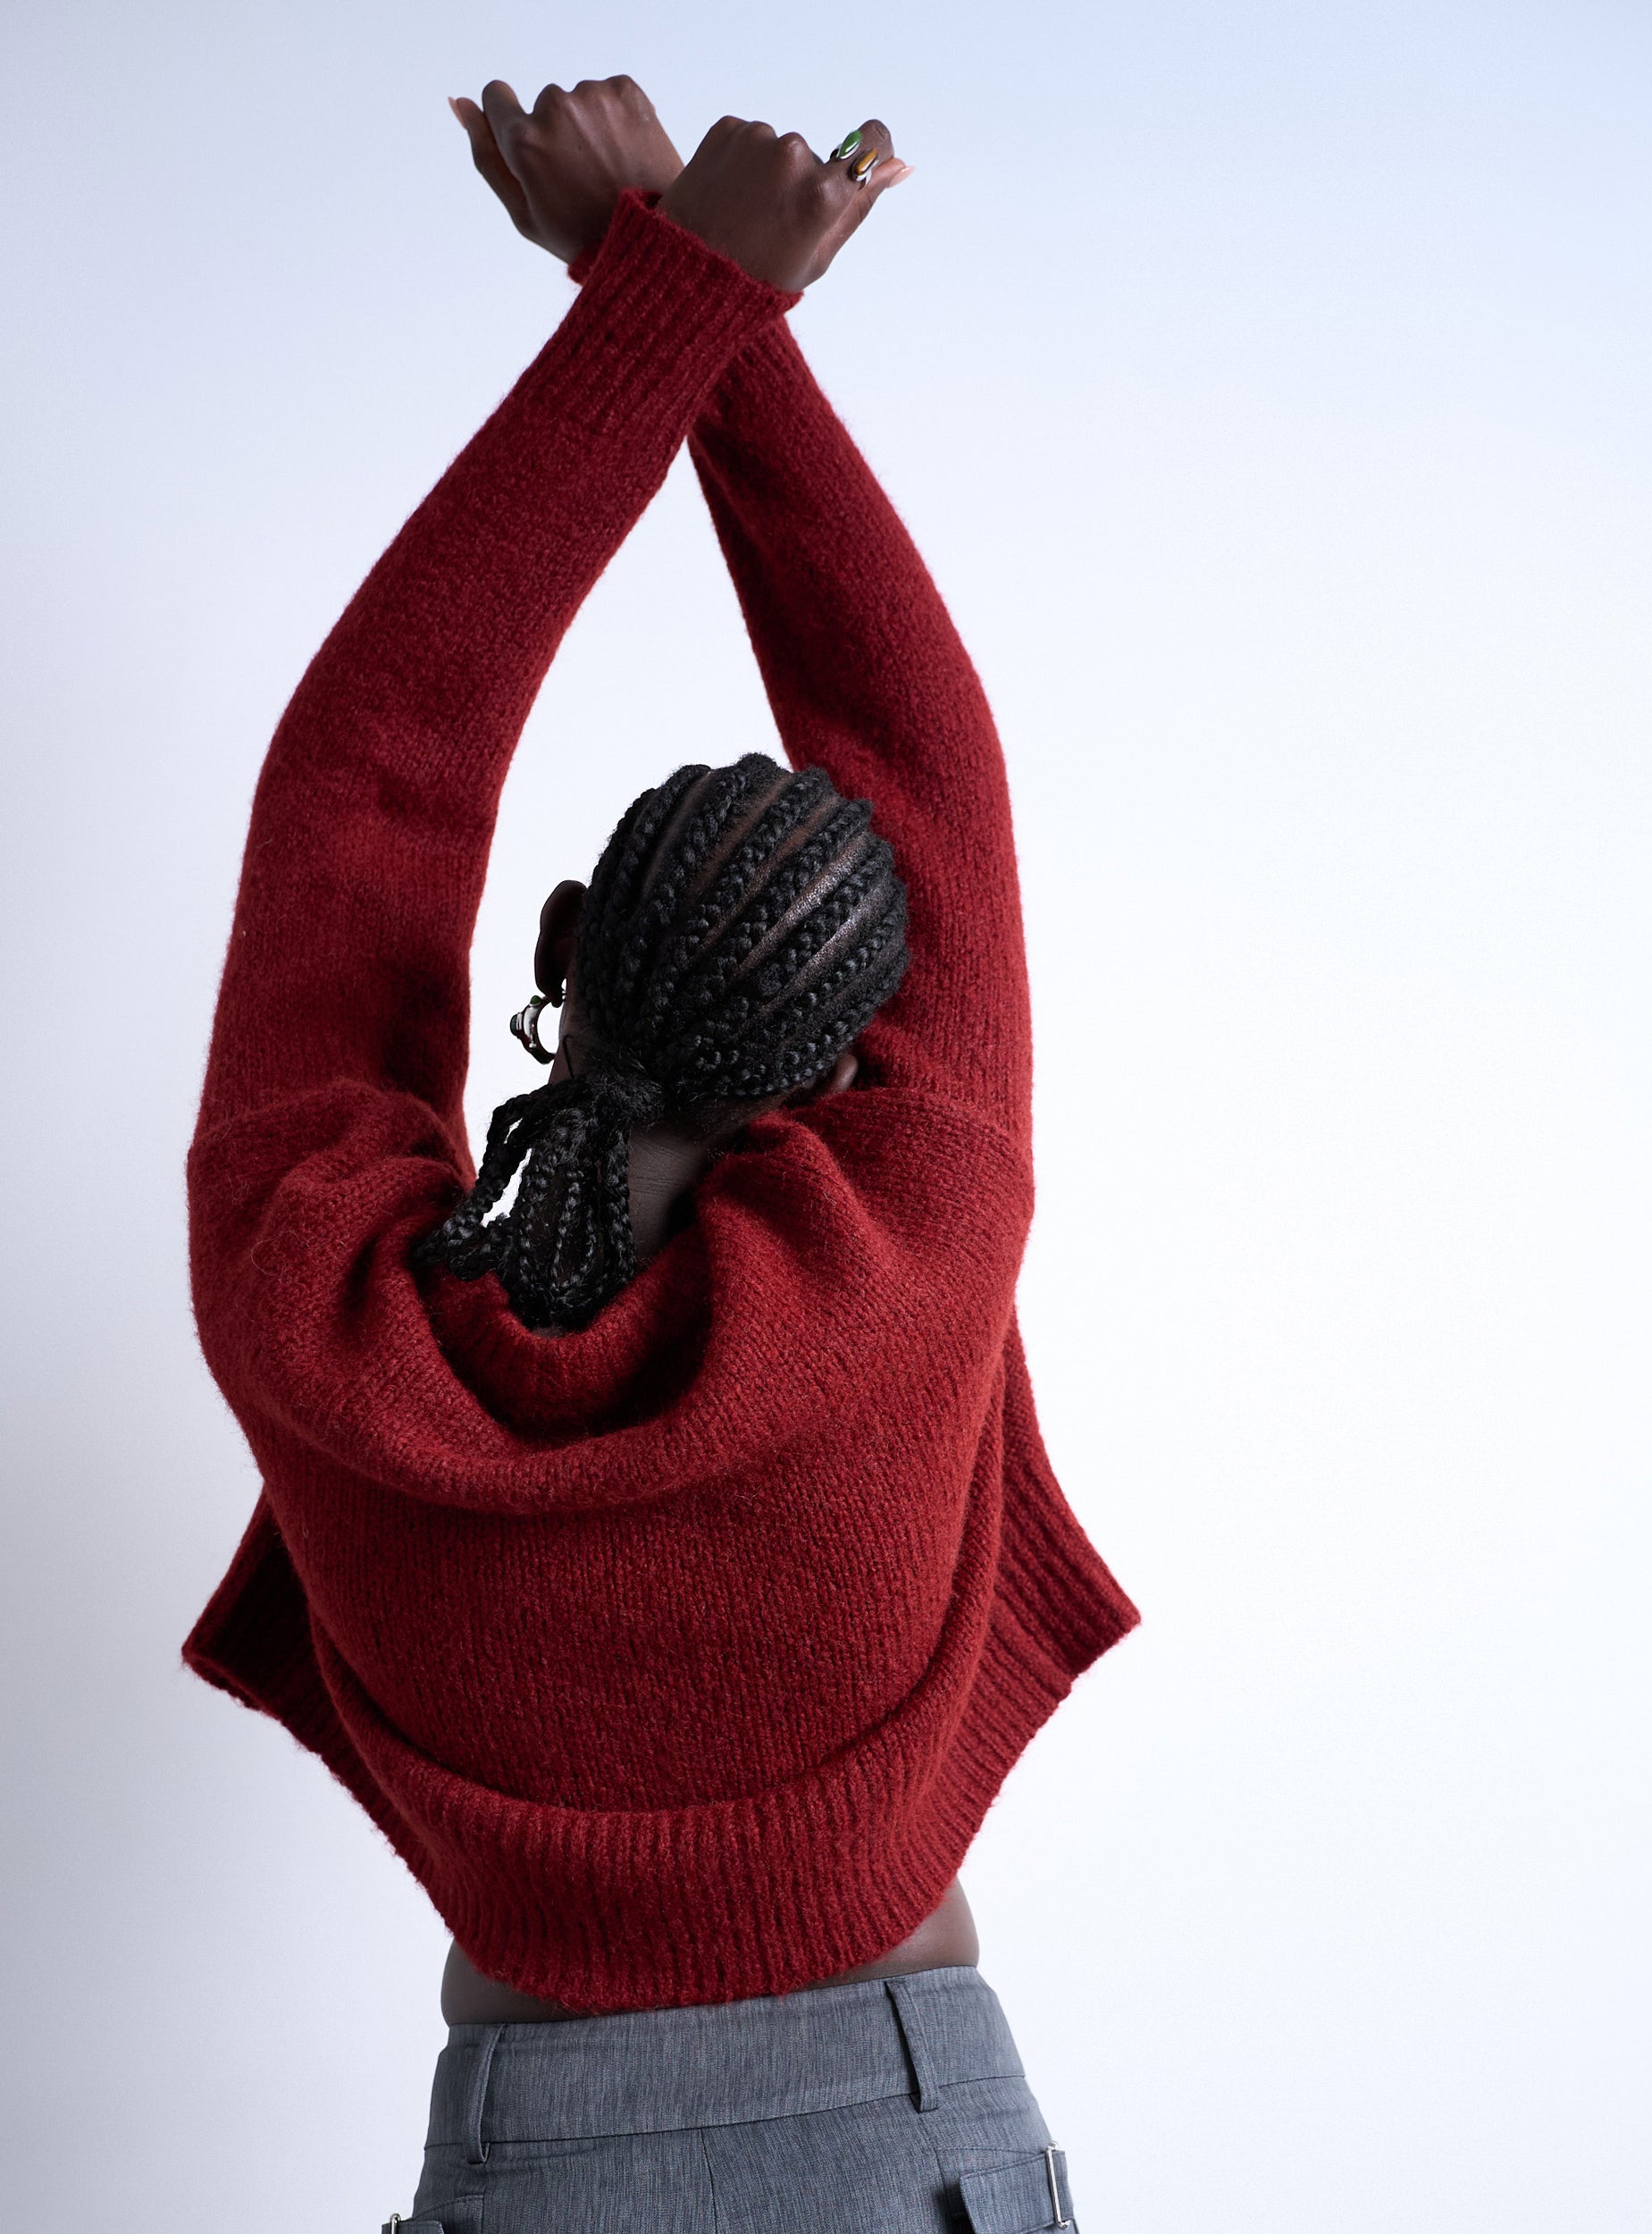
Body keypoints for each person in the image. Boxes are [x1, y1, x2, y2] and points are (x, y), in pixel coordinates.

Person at [184, 72, 1138, 2232]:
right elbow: (924, 754)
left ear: (561, 955)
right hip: (906, 2134)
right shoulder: (918, 1228)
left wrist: (672, 295)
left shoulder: (324, 1310)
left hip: (536, 2159)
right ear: (852, 1045)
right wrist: (690, 303)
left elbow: (369, 771)